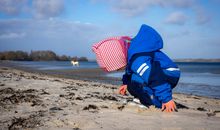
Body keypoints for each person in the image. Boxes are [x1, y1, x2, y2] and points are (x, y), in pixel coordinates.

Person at [92, 24, 180, 112]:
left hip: (168, 73)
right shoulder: (132, 55)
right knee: (132, 82)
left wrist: (167, 99)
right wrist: (126, 83)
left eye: (118, 68)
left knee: (137, 80)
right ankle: (146, 97)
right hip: (157, 73)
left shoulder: (137, 60)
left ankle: (157, 103)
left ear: (120, 58)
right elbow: (129, 71)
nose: (118, 70)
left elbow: (154, 76)